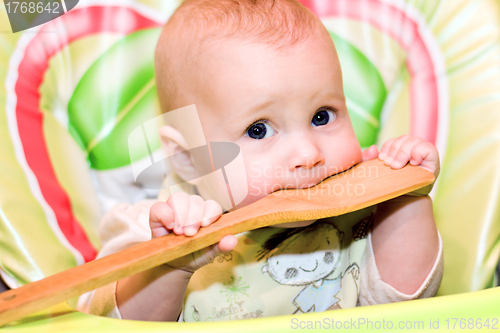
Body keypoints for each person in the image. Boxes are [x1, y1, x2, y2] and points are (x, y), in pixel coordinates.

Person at [78, 0, 443, 322]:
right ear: (189, 160)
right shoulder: (149, 230)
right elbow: (103, 320)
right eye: (258, 130)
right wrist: (170, 265)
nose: (308, 154)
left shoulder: (363, 220)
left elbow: (405, 306)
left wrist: (404, 201)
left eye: (322, 116)